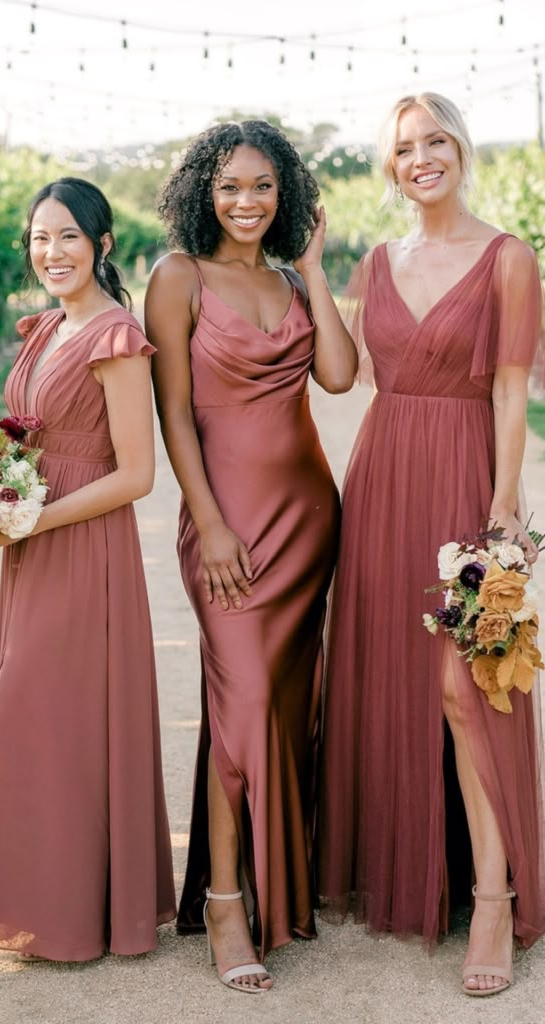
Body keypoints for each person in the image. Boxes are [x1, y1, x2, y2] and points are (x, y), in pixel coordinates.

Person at [318, 91, 545, 997]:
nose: (422, 157)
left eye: (437, 140)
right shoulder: (377, 262)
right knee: (390, 679)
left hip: (461, 485)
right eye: (406, 147)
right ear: (390, 166)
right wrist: (310, 265)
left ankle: (493, 896)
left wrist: (501, 510)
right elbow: (342, 378)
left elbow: (509, 394)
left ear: (461, 148)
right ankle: (415, 872)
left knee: (466, 688)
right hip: (380, 484)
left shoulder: (509, 258)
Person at [145, 120, 355, 992]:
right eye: (229, 185)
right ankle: (226, 901)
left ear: (286, 195)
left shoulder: (288, 280)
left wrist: (312, 268)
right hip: (226, 527)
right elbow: (175, 416)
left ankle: (274, 888)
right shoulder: (177, 277)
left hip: (308, 522)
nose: (246, 201)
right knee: (243, 704)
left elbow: (340, 377)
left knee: (282, 709)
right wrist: (211, 521)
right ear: (203, 189)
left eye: (263, 186)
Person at [0, 177, 176, 961]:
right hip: (32, 543)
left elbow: (136, 474)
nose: (50, 252)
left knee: (47, 713)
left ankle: (78, 916)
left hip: (82, 543)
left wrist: (33, 517)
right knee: (36, 719)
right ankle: (46, 905)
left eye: (67, 238)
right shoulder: (44, 329)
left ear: (103, 245)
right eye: (39, 238)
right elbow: (27, 437)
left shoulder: (115, 335)